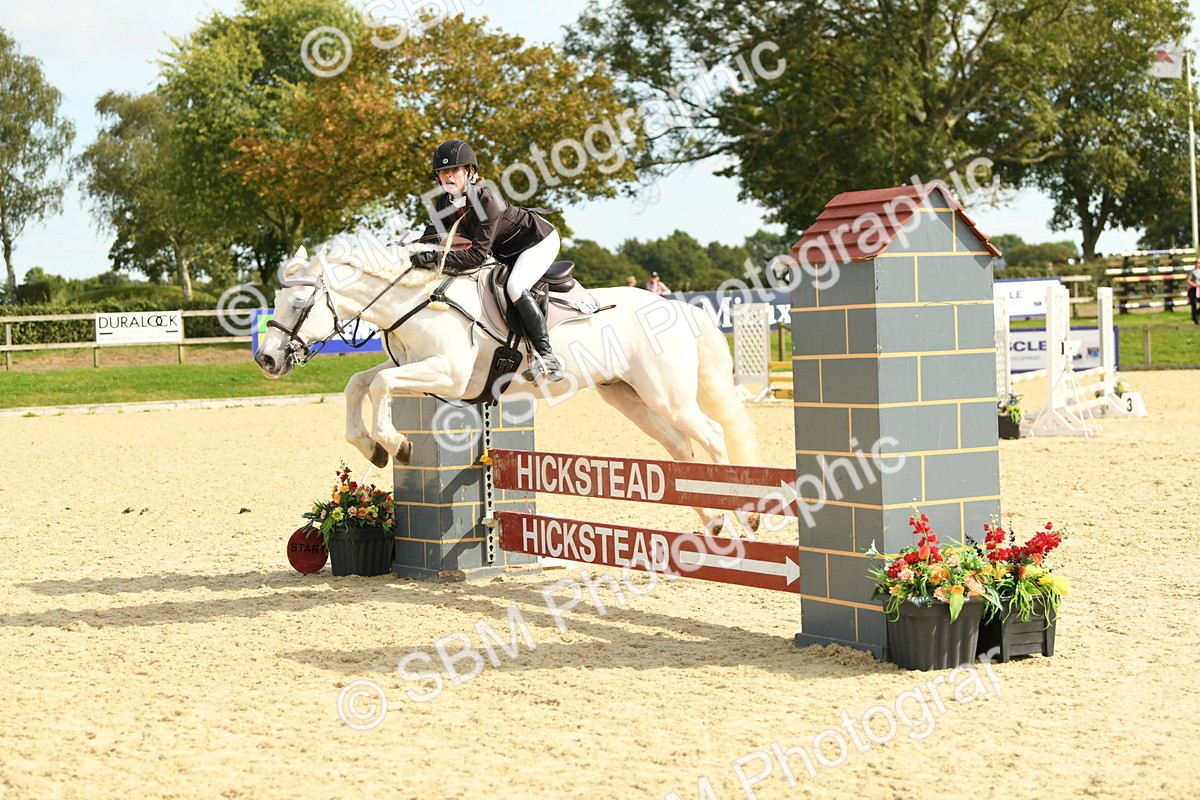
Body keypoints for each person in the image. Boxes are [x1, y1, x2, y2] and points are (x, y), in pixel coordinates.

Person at [416, 139, 563, 382]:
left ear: (470, 172)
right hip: (504, 250)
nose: (448, 177)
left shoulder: (486, 200)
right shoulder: (444, 203)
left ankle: (547, 356)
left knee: (515, 285)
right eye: (443, 172)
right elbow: (429, 239)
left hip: (536, 241)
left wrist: (435, 256)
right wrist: (409, 253)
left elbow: (475, 256)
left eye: (454, 171)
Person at [1189, 258, 1200, 325]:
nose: (1197, 264)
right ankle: (1195, 318)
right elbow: (1188, 280)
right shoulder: (1192, 271)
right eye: (1196, 262)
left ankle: (1197, 313)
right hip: (1193, 289)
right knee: (1193, 304)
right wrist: (1194, 285)